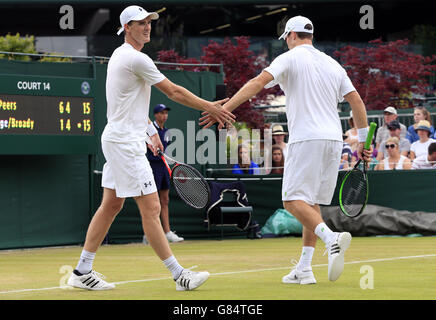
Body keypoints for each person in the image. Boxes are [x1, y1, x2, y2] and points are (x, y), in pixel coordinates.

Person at [67, 5, 234, 291]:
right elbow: (174, 91)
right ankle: (180, 275)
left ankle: (82, 270)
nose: (147, 27)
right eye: (140, 23)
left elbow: (128, 105)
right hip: (124, 144)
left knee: (111, 205)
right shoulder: (135, 58)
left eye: (149, 22)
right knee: (152, 207)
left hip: (120, 138)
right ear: (126, 28)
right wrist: (210, 106)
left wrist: (151, 131)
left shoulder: (122, 57)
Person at [200, 15, 373, 284]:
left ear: (291, 35)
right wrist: (363, 141)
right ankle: (304, 269)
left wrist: (224, 108)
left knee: (291, 201)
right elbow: (357, 101)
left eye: (286, 38)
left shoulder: (289, 58)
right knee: (310, 204)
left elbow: (257, 83)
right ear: (310, 36)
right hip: (333, 141)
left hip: (307, 139)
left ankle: (332, 238)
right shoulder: (333, 64)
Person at [143, 103, 184, 244]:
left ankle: (167, 232)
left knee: (165, 200)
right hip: (152, 167)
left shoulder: (167, 132)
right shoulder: (149, 130)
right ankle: (148, 234)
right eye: (161, 113)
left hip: (164, 167)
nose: (164, 115)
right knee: (150, 202)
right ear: (155, 115)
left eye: (166, 113)